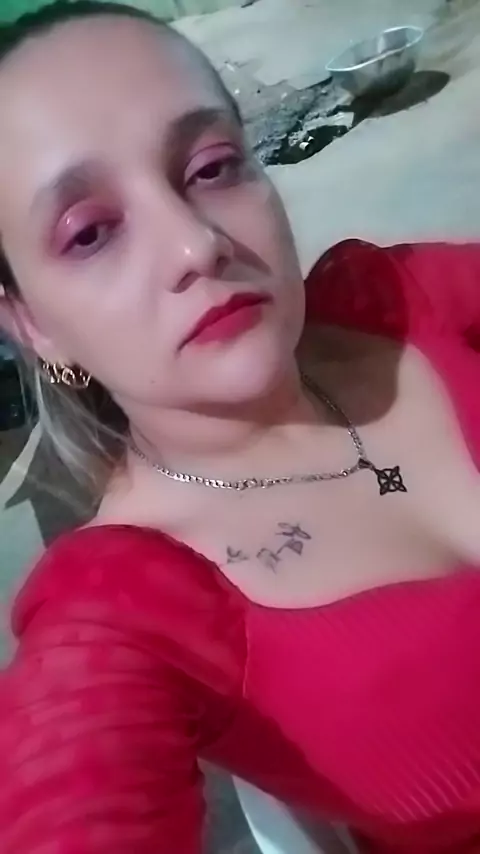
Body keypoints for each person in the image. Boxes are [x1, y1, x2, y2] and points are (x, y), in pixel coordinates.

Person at [1, 2, 480, 852]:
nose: (195, 246)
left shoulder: (407, 303)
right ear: (32, 324)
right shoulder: (125, 611)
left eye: (212, 167)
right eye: (91, 233)